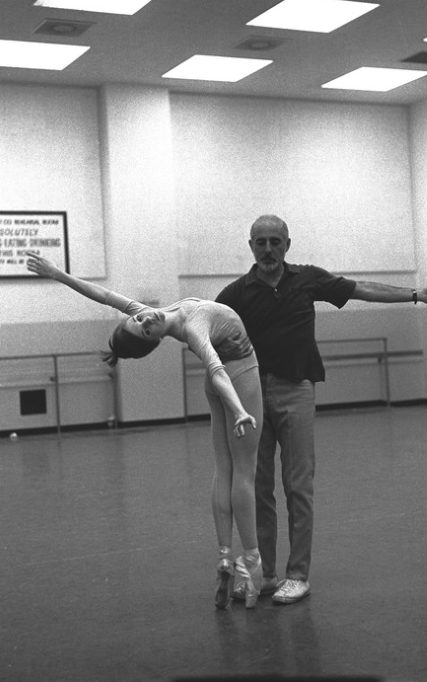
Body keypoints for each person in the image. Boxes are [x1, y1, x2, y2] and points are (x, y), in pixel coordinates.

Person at [215, 214, 427, 605]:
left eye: (276, 241)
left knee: (298, 486)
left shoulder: (307, 279)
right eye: (261, 242)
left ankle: (298, 575)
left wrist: (415, 294)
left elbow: (361, 290)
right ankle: (266, 574)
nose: (269, 248)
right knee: (256, 489)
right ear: (251, 246)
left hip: (297, 391)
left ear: (288, 244)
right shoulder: (236, 293)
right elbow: (202, 323)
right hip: (252, 397)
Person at [25, 251, 263, 610]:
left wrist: (58, 273)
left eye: (137, 318)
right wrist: (240, 409)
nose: (145, 318)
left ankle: (225, 558)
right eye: (144, 327)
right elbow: (216, 369)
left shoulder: (159, 313)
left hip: (221, 383)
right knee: (243, 473)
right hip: (239, 376)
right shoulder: (193, 326)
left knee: (223, 469)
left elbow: (103, 296)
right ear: (153, 340)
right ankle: (252, 570)